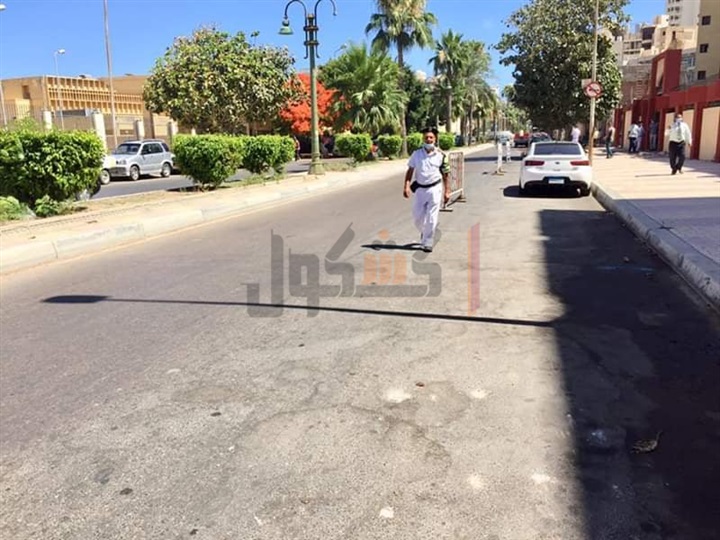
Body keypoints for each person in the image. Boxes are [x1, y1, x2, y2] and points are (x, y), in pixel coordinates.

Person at [403, 127, 451, 253]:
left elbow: (446, 175)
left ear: (435, 139)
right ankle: (425, 232)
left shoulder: (441, 156)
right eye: (426, 137)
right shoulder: (416, 154)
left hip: (435, 189)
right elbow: (410, 171)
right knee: (417, 217)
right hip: (420, 189)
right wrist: (406, 186)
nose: (428, 139)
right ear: (423, 139)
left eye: (431, 137)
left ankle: (428, 241)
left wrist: (447, 191)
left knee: (431, 217)